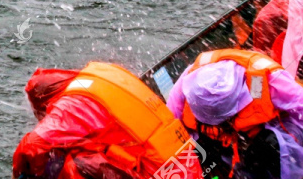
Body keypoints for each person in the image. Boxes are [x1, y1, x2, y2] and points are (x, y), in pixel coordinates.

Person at [12, 62, 202, 179]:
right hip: (186, 162)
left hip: (161, 173)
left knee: (76, 165)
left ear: (47, 103)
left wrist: (27, 174)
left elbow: (31, 146)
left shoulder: (69, 106)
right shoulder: (101, 73)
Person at [167, 48, 303, 179]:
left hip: (273, 125)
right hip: (225, 137)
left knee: (268, 152)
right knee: (198, 153)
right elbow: (168, 135)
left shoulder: (261, 82)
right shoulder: (187, 86)